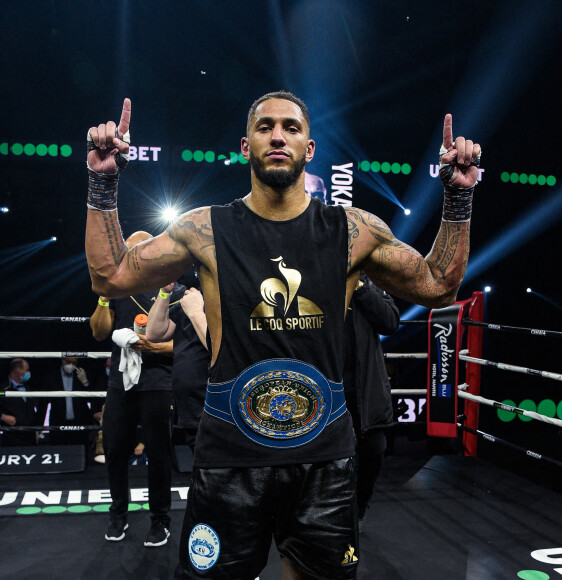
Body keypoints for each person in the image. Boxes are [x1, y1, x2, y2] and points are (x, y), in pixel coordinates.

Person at [84, 91, 481, 579]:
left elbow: (439, 285)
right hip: (230, 455)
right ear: (246, 146)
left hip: (324, 459)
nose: (278, 136)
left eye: (291, 128)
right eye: (265, 127)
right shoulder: (204, 229)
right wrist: (103, 184)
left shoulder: (353, 230)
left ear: (309, 148)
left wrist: (458, 196)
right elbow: (111, 279)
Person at [89, 231, 175, 548]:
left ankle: (160, 522)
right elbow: (99, 333)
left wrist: (150, 347)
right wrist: (103, 295)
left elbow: (183, 345)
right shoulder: (118, 290)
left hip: (157, 381)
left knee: (159, 453)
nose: (136, 253)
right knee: (114, 450)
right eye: (131, 249)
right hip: (120, 382)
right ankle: (117, 516)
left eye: (141, 247)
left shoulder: (170, 289)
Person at [343, 272, 400, 528]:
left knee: (372, 454)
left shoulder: (368, 279)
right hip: (327, 388)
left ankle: (358, 512)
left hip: (366, 391)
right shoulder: (314, 276)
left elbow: (389, 321)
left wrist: (359, 283)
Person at [146, 278, 210, 457]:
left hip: (212, 406)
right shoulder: (194, 297)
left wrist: (196, 312)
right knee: (200, 471)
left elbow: (219, 350)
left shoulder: (226, 301)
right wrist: (165, 292)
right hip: (190, 408)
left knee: (214, 473)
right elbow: (154, 332)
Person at [43, 356, 94, 448]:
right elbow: (43, 402)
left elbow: (92, 398)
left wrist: (85, 382)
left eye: (74, 363)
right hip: (58, 423)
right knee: (59, 453)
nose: (71, 365)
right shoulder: (52, 376)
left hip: (79, 423)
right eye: (68, 361)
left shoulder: (82, 374)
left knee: (81, 454)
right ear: (62, 360)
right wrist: (39, 426)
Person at [1, 358, 40, 446]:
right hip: (11, 436)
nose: (28, 373)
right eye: (27, 370)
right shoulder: (3, 388)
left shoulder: (28, 388)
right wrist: (2, 416)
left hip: (29, 436)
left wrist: (36, 429)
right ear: (19, 370)